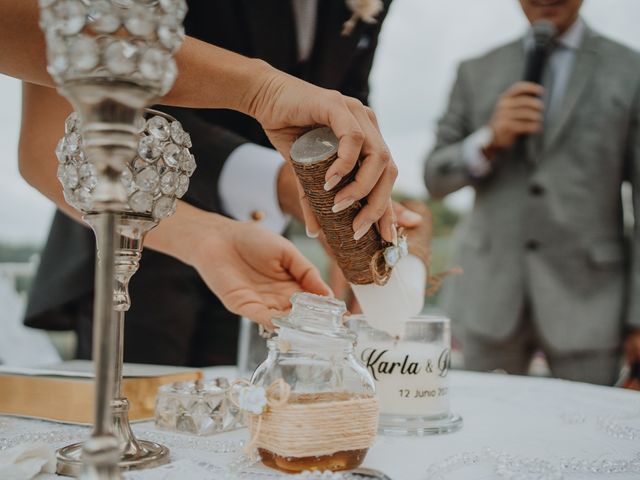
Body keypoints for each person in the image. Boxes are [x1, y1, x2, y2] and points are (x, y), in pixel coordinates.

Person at [21, 0, 417, 366]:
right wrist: (266, 113)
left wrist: (354, 209)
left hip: (258, 255)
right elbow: (70, 84)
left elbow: (346, 101)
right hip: (132, 234)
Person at [424, 0, 640, 385]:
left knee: (586, 438)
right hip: (489, 299)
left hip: (591, 306)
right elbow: (435, 178)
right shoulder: (476, 70)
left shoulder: (630, 71)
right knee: (484, 431)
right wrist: (488, 141)